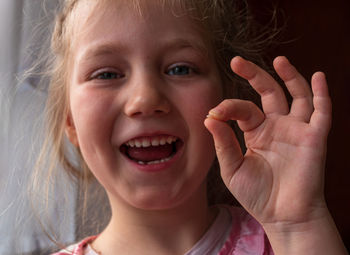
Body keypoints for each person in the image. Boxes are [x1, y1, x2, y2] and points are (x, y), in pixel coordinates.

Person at [32, 0, 347, 254]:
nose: (145, 98)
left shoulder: (285, 241)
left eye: (180, 68)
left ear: (226, 100)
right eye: (106, 75)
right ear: (71, 121)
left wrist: (297, 225)